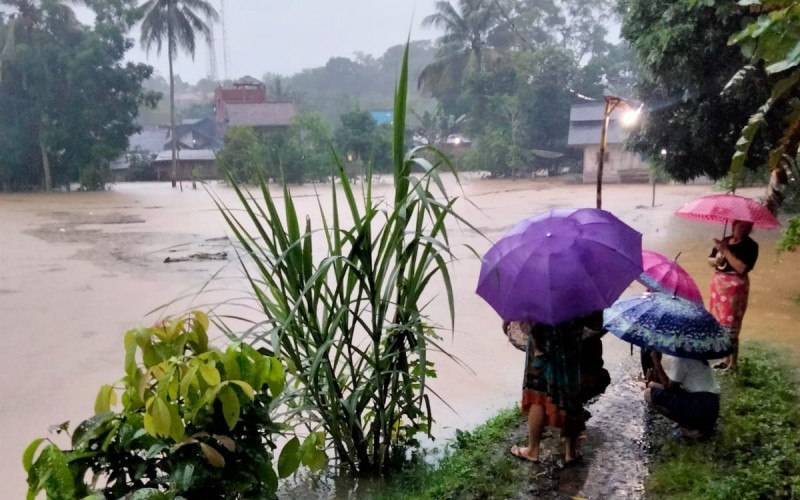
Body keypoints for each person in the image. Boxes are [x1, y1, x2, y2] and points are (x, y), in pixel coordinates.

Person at [509, 313, 601, 466]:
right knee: (571, 394)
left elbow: (523, 316)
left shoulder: (537, 290)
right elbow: (596, 324)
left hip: (541, 343)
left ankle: (533, 450)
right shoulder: (581, 290)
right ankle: (570, 452)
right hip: (570, 343)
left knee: (537, 394)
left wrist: (508, 321)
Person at [708, 219, 759, 370]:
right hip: (718, 287)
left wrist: (726, 251)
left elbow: (741, 268)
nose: (744, 230)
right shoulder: (725, 240)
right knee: (719, 324)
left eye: (748, 227)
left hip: (735, 288)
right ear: (733, 226)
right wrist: (717, 258)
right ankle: (725, 359)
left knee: (731, 326)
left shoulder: (751, 246)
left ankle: (733, 364)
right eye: (741, 226)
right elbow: (710, 261)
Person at [644, 356, 721, 439]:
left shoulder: (681, 360)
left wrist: (656, 362)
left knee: (648, 394)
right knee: (652, 385)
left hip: (699, 406)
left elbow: (669, 387)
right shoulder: (699, 357)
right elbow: (675, 386)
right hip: (712, 404)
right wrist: (653, 383)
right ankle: (697, 426)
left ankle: (689, 428)